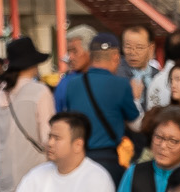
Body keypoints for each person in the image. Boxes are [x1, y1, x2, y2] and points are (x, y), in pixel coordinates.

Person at [1, 112, 116, 192]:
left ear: (78, 144)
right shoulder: (37, 174)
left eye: (57, 138)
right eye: (50, 137)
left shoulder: (97, 179)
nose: (49, 143)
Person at [58, 33, 140, 181]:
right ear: (116, 57)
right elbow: (136, 124)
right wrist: (137, 99)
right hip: (108, 161)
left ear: (91, 56)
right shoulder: (121, 85)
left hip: (78, 159)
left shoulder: (72, 85)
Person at [0, 38, 54, 192]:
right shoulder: (39, 91)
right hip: (35, 178)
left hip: (5, 180)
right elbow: (48, 138)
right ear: (33, 63)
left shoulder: (0, 93)